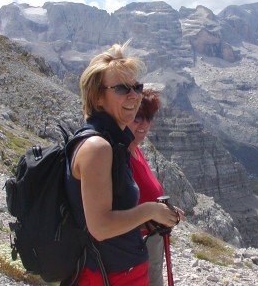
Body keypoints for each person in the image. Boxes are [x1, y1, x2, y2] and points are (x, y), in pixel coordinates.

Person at [65, 42, 180, 286]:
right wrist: (150, 210)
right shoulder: (98, 148)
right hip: (107, 277)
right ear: (97, 97)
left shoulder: (114, 144)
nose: (134, 96)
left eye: (136, 87)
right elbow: (101, 227)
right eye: (121, 88)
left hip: (121, 272)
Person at [127, 89, 177, 286]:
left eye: (149, 118)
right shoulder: (119, 156)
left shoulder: (136, 150)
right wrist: (154, 217)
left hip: (149, 244)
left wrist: (168, 214)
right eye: (138, 118)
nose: (145, 125)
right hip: (134, 250)